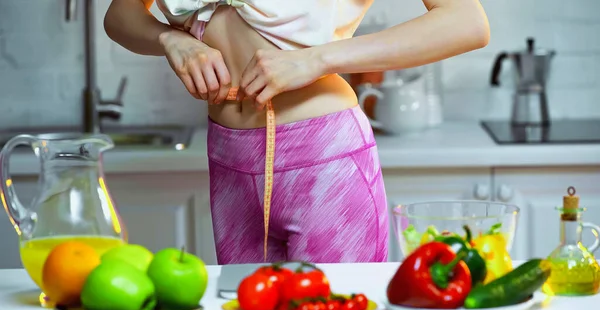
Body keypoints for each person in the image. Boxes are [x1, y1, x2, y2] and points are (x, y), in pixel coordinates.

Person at [104, 0, 490, 265]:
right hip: (229, 159)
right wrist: (170, 39)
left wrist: (317, 59)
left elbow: (466, 22)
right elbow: (119, 16)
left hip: (324, 162)